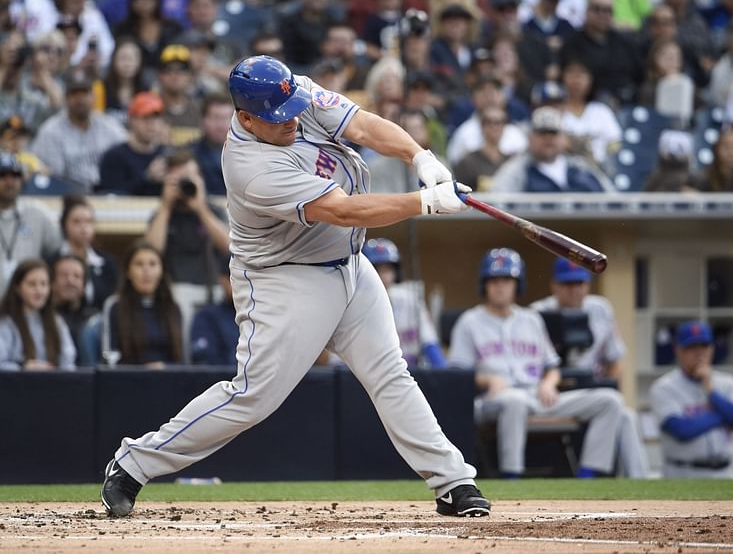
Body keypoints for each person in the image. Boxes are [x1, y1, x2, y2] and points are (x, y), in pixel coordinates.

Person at [101, 55, 489, 519]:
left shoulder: (290, 92)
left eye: (291, 109)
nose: (290, 120)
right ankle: (132, 464)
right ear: (245, 117)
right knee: (252, 397)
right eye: (276, 117)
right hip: (286, 277)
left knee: (390, 373)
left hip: (349, 263)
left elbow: (363, 127)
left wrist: (420, 157)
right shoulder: (250, 167)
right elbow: (344, 209)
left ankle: (453, 483)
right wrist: (424, 203)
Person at [449, 248, 645, 479]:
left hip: (536, 395)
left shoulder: (531, 319)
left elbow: (552, 365)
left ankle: (588, 475)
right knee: (515, 400)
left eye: (506, 280)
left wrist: (549, 383)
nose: (500, 286)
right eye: (494, 281)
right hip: (493, 400)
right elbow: (457, 375)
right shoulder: (469, 322)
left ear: (517, 284)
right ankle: (512, 477)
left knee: (611, 400)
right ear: (484, 285)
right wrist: (487, 379)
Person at [649, 320, 733, 478]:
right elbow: (682, 430)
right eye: (691, 347)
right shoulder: (663, 387)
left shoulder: (728, 382)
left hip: (725, 473)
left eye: (704, 346)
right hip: (683, 474)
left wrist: (712, 393)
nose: (699, 353)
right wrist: (724, 416)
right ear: (678, 350)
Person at [144, 149, 230, 336]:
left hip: (213, 292)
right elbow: (152, 251)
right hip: (174, 293)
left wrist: (200, 209)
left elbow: (229, 248)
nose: (183, 185)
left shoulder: (212, 211)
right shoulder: (162, 215)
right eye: (178, 180)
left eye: (188, 178)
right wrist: (166, 206)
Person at [30, 70, 127, 192]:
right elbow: (51, 176)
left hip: (107, 192)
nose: (80, 99)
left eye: (85, 93)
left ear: (93, 97)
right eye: (74, 94)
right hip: (68, 195)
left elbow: (127, 153)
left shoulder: (108, 125)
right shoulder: (51, 131)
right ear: (66, 98)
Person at [530, 258, 625, 380]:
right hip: (552, 384)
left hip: (591, 382)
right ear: (554, 285)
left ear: (588, 284)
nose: (574, 290)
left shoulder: (601, 309)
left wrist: (613, 388)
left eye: (579, 283)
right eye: (567, 283)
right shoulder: (537, 313)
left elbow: (615, 361)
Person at [361, 238, 446, 369]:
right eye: (377, 270)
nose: (384, 276)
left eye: (388, 269)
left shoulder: (410, 300)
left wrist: (445, 377)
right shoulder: (354, 306)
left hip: (411, 374)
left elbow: (430, 344)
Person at [490, 106, 614, 193]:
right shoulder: (517, 170)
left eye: (553, 133)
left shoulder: (581, 168)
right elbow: (497, 203)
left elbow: (614, 201)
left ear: (564, 138)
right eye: (542, 133)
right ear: (530, 138)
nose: (548, 138)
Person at [100, 240, 184, 368]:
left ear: (162, 271)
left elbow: (183, 359)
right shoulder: (114, 306)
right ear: (128, 272)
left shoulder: (174, 307)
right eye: (139, 264)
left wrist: (165, 368)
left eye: (153, 264)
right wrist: (142, 371)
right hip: (128, 381)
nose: (146, 271)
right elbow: (110, 358)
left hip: (169, 379)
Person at [0, 152, 61, 294]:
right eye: (2, 176)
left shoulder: (38, 213)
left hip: (27, 302)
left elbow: (57, 252)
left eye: (15, 175)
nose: (9, 182)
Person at [0, 258, 76, 371]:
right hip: (17, 385)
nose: (39, 291)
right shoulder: (5, 322)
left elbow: (68, 363)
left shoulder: (57, 321)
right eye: (32, 284)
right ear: (17, 288)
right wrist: (23, 368)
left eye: (44, 284)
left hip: (54, 385)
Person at [98, 92, 168, 196]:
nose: (151, 124)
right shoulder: (114, 157)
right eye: (145, 118)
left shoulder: (167, 154)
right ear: (131, 120)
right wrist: (147, 178)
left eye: (155, 118)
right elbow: (113, 197)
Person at [56, 195, 119, 310]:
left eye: (89, 222)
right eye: (77, 222)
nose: (84, 228)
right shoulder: (53, 260)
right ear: (64, 225)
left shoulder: (107, 263)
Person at [51, 254, 99, 365]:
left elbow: (106, 353)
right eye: (63, 275)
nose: (70, 281)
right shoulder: (43, 319)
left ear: (84, 285)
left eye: (77, 276)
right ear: (52, 283)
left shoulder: (95, 320)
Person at [190, 255, 238, 366]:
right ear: (222, 280)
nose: (242, 284)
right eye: (235, 278)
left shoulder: (261, 317)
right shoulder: (207, 317)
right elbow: (204, 364)